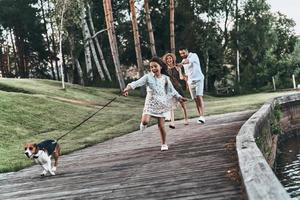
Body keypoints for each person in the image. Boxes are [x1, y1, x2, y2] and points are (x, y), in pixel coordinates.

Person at [123, 57, 186, 151]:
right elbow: (137, 83)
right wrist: (127, 88)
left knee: (161, 126)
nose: (153, 69)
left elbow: (172, 90)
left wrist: (179, 97)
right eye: (151, 67)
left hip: (162, 104)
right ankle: (143, 125)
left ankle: (164, 144)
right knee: (145, 121)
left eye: (155, 66)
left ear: (160, 67)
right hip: (150, 103)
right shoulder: (148, 77)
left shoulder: (166, 78)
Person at [178, 47, 205, 124]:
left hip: (199, 79)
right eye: (180, 54)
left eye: (183, 53)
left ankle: (202, 117)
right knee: (195, 99)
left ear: (187, 51)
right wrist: (180, 70)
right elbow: (186, 75)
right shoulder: (183, 61)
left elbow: (188, 61)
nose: (182, 55)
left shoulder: (193, 55)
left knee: (199, 96)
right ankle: (200, 116)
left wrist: (181, 64)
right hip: (190, 82)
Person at [162, 53, 189, 128]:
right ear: (166, 60)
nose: (169, 60)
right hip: (170, 89)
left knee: (182, 104)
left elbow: (180, 77)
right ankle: (172, 123)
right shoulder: (165, 69)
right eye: (167, 59)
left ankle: (186, 119)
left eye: (170, 58)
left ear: (173, 59)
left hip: (178, 87)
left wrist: (184, 77)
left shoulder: (177, 67)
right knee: (171, 106)